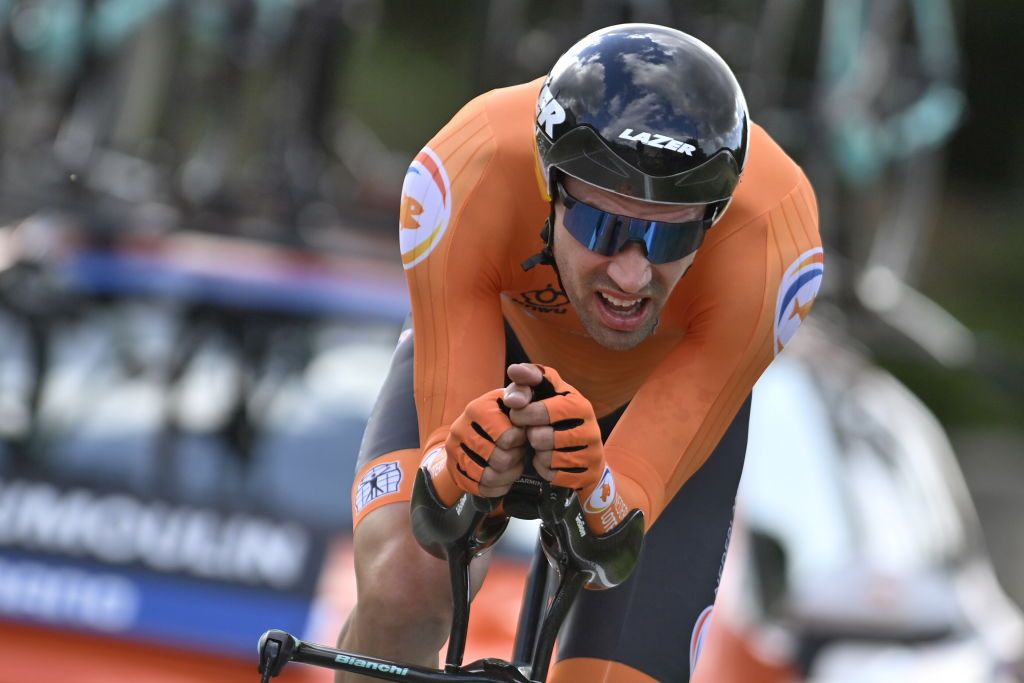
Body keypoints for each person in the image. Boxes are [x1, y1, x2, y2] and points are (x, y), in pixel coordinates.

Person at [337, 23, 823, 683]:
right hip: (499, 357)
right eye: (603, 226)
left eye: (669, 239)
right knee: (406, 579)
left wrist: (596, 486)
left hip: (657, 403)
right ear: (549, 185)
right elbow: (440, 505)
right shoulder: (469, 165)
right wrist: (461, 469)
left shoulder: (774, 238)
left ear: (714, 215)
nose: (631, 275)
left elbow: (616, 532)